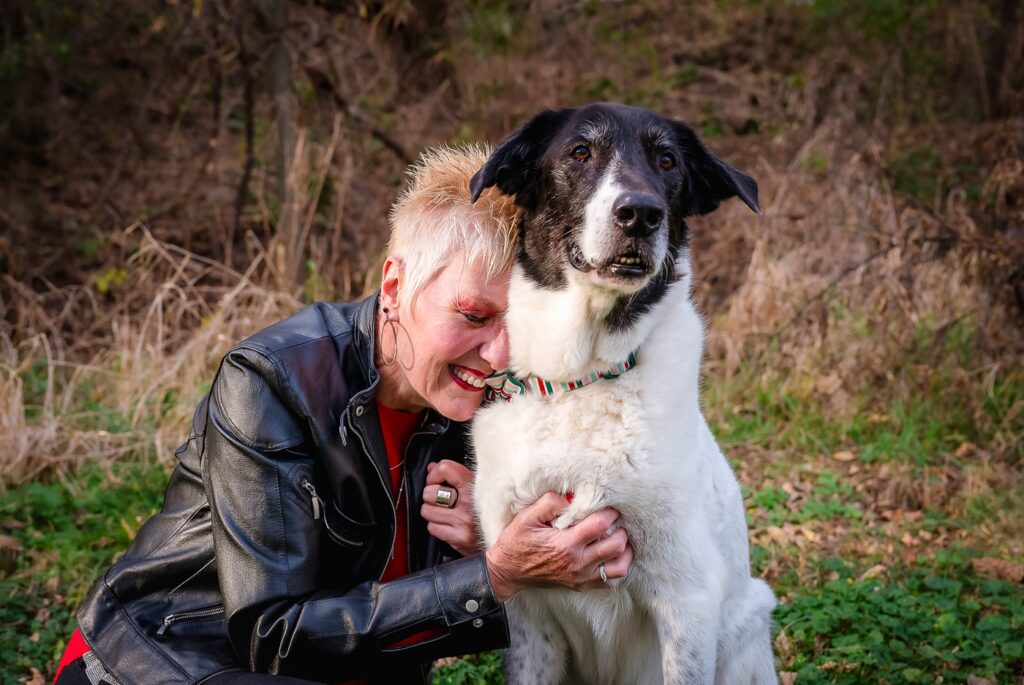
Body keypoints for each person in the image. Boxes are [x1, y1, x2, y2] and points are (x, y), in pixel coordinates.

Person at [54, 146, 633, 685]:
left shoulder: (504, 403)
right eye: (473, 315)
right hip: (159, 662)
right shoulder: (272, 382)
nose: (500, 355)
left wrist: (491, 546)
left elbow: (567, 608)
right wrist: (495, 574)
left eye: (520, 323)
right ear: (395, 285)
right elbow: (271, 635)